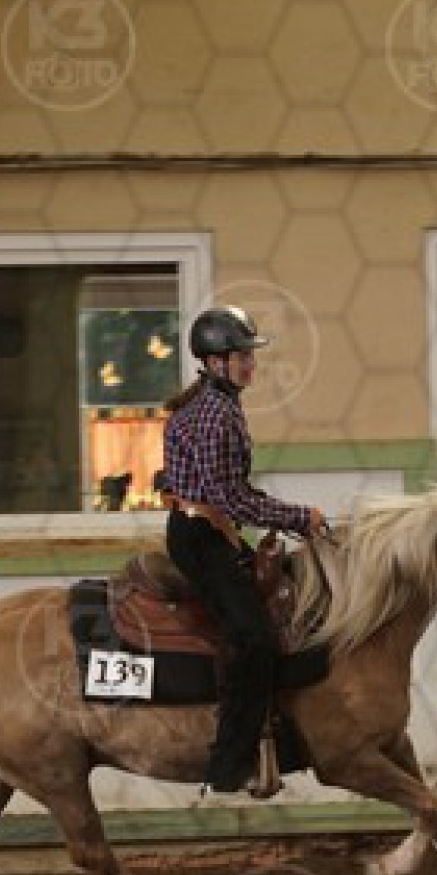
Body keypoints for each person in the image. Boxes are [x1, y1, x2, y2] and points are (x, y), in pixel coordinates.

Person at [158, 306, 328, 794]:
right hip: (199, 538)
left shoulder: (219, 405)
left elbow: (230, 494)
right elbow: (229, 499)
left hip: (213, 532)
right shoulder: (215, 414)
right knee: (253, 639)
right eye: (243, 356)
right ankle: (229, 763)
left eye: (251, 356)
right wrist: (299, 518)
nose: (252, 364)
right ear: (216, 363)